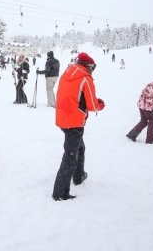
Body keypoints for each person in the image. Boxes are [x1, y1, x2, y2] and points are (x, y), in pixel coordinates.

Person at [52, 52, 104, 201]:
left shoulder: (67, 72)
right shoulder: (85, 78)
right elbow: (93, 105)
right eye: (92, 67)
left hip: (63, 118)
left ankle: (79, 176)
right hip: (74, 122)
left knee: (79, 148)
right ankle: (60, 193)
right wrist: (100, 104)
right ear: (88, 66)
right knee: (70, 157)